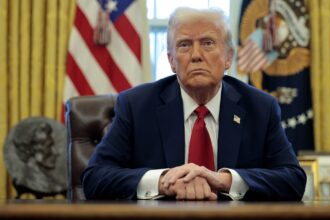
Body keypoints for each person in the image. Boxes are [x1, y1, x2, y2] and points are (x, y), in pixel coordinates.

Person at [82, 7, 306, 201]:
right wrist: (164, 181)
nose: (196, 55)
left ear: (229, 57)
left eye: (208, 43)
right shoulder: (136, 105)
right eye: (185, 45)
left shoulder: (261, 107)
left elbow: (292, 179)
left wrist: (224, 180)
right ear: (171, 61)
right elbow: (94, 178)